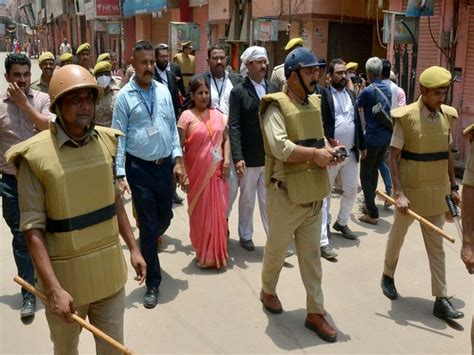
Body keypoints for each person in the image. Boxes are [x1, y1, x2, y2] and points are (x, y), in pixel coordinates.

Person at [6, 64, 146, 354]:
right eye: (75, 99)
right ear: (56, 105)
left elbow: (114, 201)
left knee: (113, 350)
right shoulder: (34, 156)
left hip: (109, 278)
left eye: (89, 98)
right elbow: (32, 230)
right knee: (66, 350)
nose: (85, 105)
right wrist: (53, 288)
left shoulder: (106, 142)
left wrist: (133, 248)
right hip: (66, 286)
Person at [260, 47, 345, 343]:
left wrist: (330, 150)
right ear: (292, 75)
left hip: (312, 196)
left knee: (311, 259)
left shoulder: (313, 103)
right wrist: (315, 154)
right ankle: (268, 289)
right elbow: (280, 148)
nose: (315, 75)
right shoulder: (275, 107)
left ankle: (315, 313)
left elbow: (317, 139)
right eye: (309, 71)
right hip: (284, 196)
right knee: (276, 251)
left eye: (316, 70)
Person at [381, 66, 464, 320]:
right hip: (411, 195)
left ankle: (441, 297)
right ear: (423, 90)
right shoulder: (406, 118)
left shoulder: (446, 116)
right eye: (437, 93)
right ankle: (387, 275)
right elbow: (393, 157)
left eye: (444, 93)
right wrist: (398, 192)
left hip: (437, 193)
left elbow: (447, 155)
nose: (441, 98)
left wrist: (453, 186)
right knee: (397, 238)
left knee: (436, 247)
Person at [112, 40, 185, 309]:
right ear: (133, 63)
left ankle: (149, 240)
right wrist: (120, 173)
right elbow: (119, 138)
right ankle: (153, 282)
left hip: (164, 165)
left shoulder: (164, 91)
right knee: (149, 223)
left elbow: (171, 127)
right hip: (138, 168)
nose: (149, 67)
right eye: (143, 62)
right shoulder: (124, 97)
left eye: (152, 62)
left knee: (164, 216)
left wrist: (178, 160)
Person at [0, 53, 54, 320]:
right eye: (16, 75)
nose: (22, 80)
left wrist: (24, 105)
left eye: (25, 75)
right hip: (11, 183)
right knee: (21, 238)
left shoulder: (42, 100)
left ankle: (54, 285)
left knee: (49, 233)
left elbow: (48, 128)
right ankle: (29, 294)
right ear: (7, 77)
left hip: (42, 181)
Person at [178, 78, 230, 268]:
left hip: (217, 175)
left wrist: (228, 160)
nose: (204, 96)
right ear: (192, 95)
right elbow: (179, 147)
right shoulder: (186, 117)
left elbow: (226, 140)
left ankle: (216, 255)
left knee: (218, 215)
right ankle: (203, 253)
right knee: (200, 217)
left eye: (207, 92)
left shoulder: (218, 115)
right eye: (200, 93)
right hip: (196, 175)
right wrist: (181, 172)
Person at [229, 46, 277, 251]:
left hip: (270, 156)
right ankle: (245, 235)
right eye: (259, 62)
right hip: (248, 157)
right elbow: (234, 125)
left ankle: (275, 241)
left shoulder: (273, 88)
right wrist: (238, 156)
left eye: (265, 61)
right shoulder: (239, 91)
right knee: (247, 199)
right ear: (248, 65)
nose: (263, 65)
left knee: (270, 202)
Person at [319, 58, 367, 260]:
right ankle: (322, 239)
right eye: (338, 73)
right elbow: (319, 123)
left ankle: (342, 222)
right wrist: (325, 146)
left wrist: (362, 145)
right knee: (324, 196)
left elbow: (357, 121)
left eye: (344, 72)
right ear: (329, 77)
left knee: (350, 190)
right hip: (331, 155)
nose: (343, 76)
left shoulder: (350, 93)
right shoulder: (323, 95)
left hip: (351, 153)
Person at [191, 44, 242, 225]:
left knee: (231, 185)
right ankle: (209, 224)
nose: (219, 61)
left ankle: (223, 219)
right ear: (208, 61)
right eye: (215, 58)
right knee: (209, 184)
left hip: (231, 139)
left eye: (222, 58)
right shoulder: (200, 81)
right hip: (208, 141)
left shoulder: (237, 80)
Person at [356, 57, 392, 225]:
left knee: (364, 175)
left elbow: (355, 106)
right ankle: (369, 205)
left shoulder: (368, 90)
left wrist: (357, 88)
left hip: (371, 139)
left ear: (369, 73)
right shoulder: (388, 87)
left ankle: (372, 213)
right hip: (385, 137)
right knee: (374, 170)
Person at [153, 43, 186, 205]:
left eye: (167, 56)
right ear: (155, 58)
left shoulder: (173, 72)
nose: (165, 59)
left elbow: (180, 93)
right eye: (162, 56)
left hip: (173, 120)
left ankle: (173, 191)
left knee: (174, 157)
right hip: (157, 123)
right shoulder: (151, 75)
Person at [93, 61, 120, 127]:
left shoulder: (116, 94)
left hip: (112, 132)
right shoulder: (92, 94)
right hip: (96, 132)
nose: (104, 78)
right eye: (100, 75)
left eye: (106, 74)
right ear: (96, 78)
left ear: (110, 76)